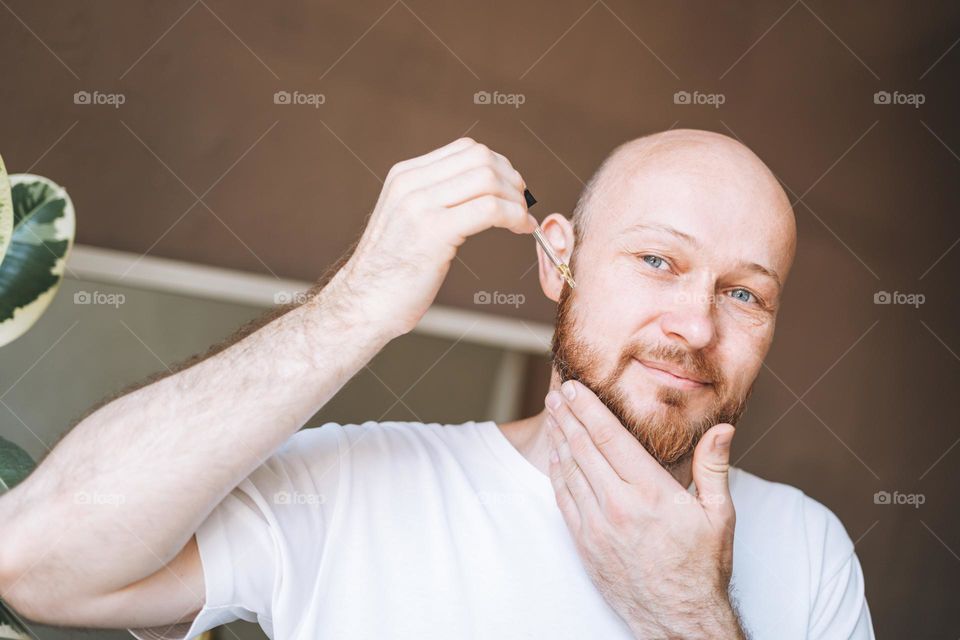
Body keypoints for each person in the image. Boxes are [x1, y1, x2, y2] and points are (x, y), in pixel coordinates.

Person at [0, 131, 875, 639]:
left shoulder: (807, 547)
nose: (695, 325)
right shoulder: (351, 490)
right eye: (656, 259)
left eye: (744, 293)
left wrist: (689, 612)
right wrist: (356, 304)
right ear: (557, 258)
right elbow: (35, 562)